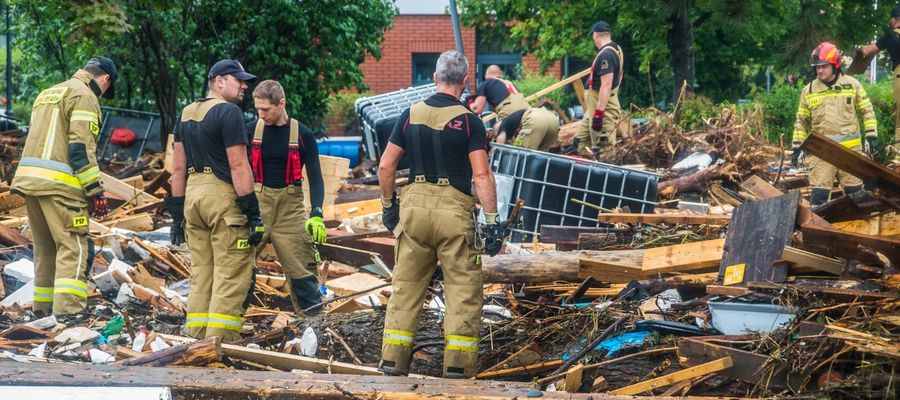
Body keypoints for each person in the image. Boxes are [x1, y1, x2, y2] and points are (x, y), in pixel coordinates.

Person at [377, 50, 507, 379]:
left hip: (414, 211)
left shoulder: (409, 115)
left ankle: (393, 363)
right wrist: (493, 223)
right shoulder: (469, 122)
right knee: (462, 290)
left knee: (405, 288)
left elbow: (386, 165)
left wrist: (389, 205)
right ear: (464, 83)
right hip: (453, 213)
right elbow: (481, 175)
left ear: (435, 78)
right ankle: (458, 368)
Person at [11, 56, 116, 316]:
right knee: (74, 246)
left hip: (31, 183)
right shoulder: (84, 96)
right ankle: (69, 313)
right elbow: (80, 148)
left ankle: (43, 311)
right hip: (61, 187)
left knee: (46, 249)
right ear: (105, 79)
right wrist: (95, 190)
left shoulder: (48, 93)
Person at [165, 59, 261, 341]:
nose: (244, 85)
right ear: (219, 81)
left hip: (193, 197)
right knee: (231, 272)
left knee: (203, 272)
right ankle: (220, 343)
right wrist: (253, 213)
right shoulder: (229, 113)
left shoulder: (186, 113)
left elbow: (178, 168)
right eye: (238, 80)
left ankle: (195, 336)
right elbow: (239, 166)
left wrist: (177, 215)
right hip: (222, 198)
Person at [247, 79, 326, 315]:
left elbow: (316, 177)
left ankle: (313, 329)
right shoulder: (251, 130)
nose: (261, 115)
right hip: (257, 206)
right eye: (257, 109)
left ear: (281, 104)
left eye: (265, 109)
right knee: (238, 267)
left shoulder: (303, 135)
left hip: (290, 211)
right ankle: (226, 332)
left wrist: (317, 213)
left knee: (303, 272)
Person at [792, 42, 877, 206]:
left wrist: (871, 135)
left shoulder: (852, 85)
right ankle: (820, 230)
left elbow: (867, 111)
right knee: (818, 199)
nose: (820, 70)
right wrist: (797, 147)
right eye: (817, 67)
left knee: (857, 197)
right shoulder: (809, 90)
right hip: (822, 153)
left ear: (835, 65)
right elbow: (801, 122)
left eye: (824, 66)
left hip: (850, 153)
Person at [573, 21, 624, 161]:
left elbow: (606, 85)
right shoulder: (616, 49)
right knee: (579, 144)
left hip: (602, 111)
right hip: (593, 109)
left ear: (596, 35)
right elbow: (620, 76)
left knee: (603, 152)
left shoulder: (606, 55)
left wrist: (599, 114)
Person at [859, 4, 900, 157]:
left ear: (893, 20)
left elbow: (869, 50)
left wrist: (862, 48)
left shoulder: (891, 36)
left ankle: (899, 158)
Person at [495, 106, 560, 152]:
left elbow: (499, 142)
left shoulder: (502, 125)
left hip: (536, 119)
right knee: (541, 155)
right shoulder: (513, 119)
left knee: (520, 153)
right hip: (553, 119)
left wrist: (492, 155)